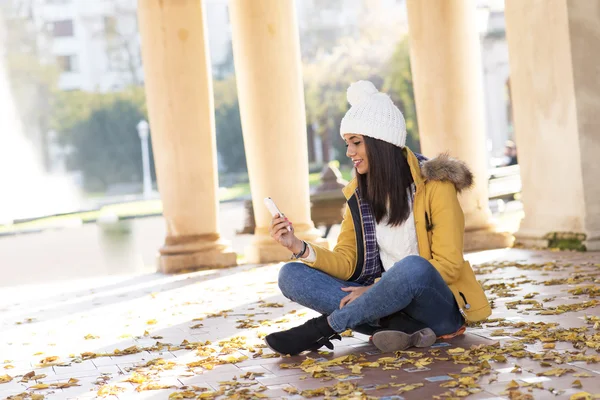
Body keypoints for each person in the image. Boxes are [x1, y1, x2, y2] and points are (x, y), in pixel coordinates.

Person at [265, 80, 491, 356]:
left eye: (356, 143)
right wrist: (297, 246)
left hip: (436, 308)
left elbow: (448, 266)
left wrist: (376, 290)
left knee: (413, 268)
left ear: (381, 143)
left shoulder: (436, 186)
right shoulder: (359, 196)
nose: (349, 153)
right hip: (381, 303)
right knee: (291, 274)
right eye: (348, 144)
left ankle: (325, 327)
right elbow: (348, 263)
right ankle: (400, 328)